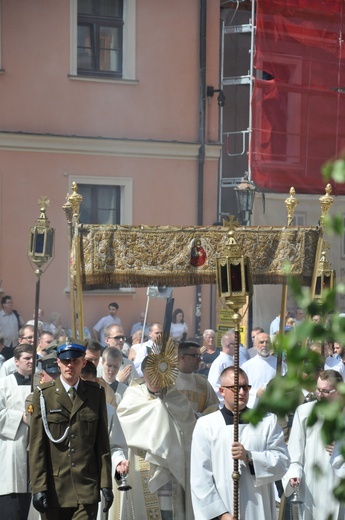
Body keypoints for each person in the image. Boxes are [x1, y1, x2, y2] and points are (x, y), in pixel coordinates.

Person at [29, 338, 114, 519]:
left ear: (83, 363)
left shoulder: (95, 394)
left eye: (75, 361)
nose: (70, 366)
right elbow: (37, 448)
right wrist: (38, 487)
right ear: (58, 362)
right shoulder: (44, 395)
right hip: (54, 489)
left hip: (86, 486)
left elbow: (102, 444)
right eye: (65, 361)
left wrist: (106, 484)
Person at [191, 366, 290, 519]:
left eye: (245, 387)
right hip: (224, 510)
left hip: (258, 507)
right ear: (222, 391)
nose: (242, 392)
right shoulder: (206, 425)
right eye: (235, 388)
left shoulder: (266, 421)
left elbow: (282, 461)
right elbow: (200, 477)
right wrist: (221, 514)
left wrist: (250, 457)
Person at [117, 355, 196, 520]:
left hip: (173, 468)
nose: (154, 378)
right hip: (143, 464)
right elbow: (124, 425)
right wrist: (158, 410)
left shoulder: (176, 398)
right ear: (143, 374)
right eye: (150, 373)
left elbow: (189, 429)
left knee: (170, 513)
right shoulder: (132, 396)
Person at [282, 369, 344, 520]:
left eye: (326, 391)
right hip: (312, 485)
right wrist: (294, 473)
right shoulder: (305, 412)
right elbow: (294, 452)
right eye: (318, 389)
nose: (320, 394)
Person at [0, 344, 33, 519]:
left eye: (33, 358)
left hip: (35, 448)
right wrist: (20, 417)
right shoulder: (3, 384)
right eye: (27, 358)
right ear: (16, 361)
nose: (31, 361)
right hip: (12, 448)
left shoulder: (42, 384)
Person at [241, 332, 287, 408]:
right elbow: (241, 387)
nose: (264, 345)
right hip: (253, 407)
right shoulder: (247, 366)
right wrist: (256, 392)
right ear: (255, 346)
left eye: (267, 342)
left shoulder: (280, 364)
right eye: (261, 342)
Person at [175, 341, 219, 417]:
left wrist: (200, 417)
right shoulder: (167, 381)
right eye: (196, 356)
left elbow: (214, 407)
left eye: (200, 356)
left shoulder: (202, 382)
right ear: (182, 357)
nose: (199, 360)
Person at [208, 329, 248, 406]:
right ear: (229, 345)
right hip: (223, 406)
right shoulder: (219, 362)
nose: (238, 348)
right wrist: (228, 400)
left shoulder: (231, 360)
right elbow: (213, 386)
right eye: (236, 344)